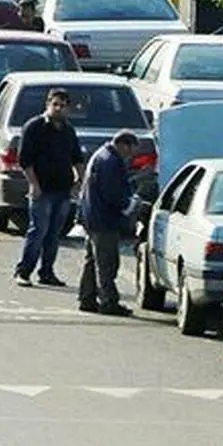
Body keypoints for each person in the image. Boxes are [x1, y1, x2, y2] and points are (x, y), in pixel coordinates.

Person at [13, 88, 85, 288]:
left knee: (54, 234)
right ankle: (23, 271)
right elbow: (24, 160)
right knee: (38, 231)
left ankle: (47, 272)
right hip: (41, 190)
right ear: (48, 105)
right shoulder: (34, 127)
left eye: (63, 106)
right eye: (55, 104)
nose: (59, 109)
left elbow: (77, 157)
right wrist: (33, 185)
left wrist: (80, 181)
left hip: (62, 190)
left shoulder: (68, 130)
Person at [77, 130, 140, 316]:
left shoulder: (101, 155)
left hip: (92, 216)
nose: (130, 156)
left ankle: (87, 298)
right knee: (107, 263)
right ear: (123, 145)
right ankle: (108, 302)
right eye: (130, 151)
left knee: (92, 261)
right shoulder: (111, 162)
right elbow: (113, 194)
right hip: (104, 219)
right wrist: (130, 205)